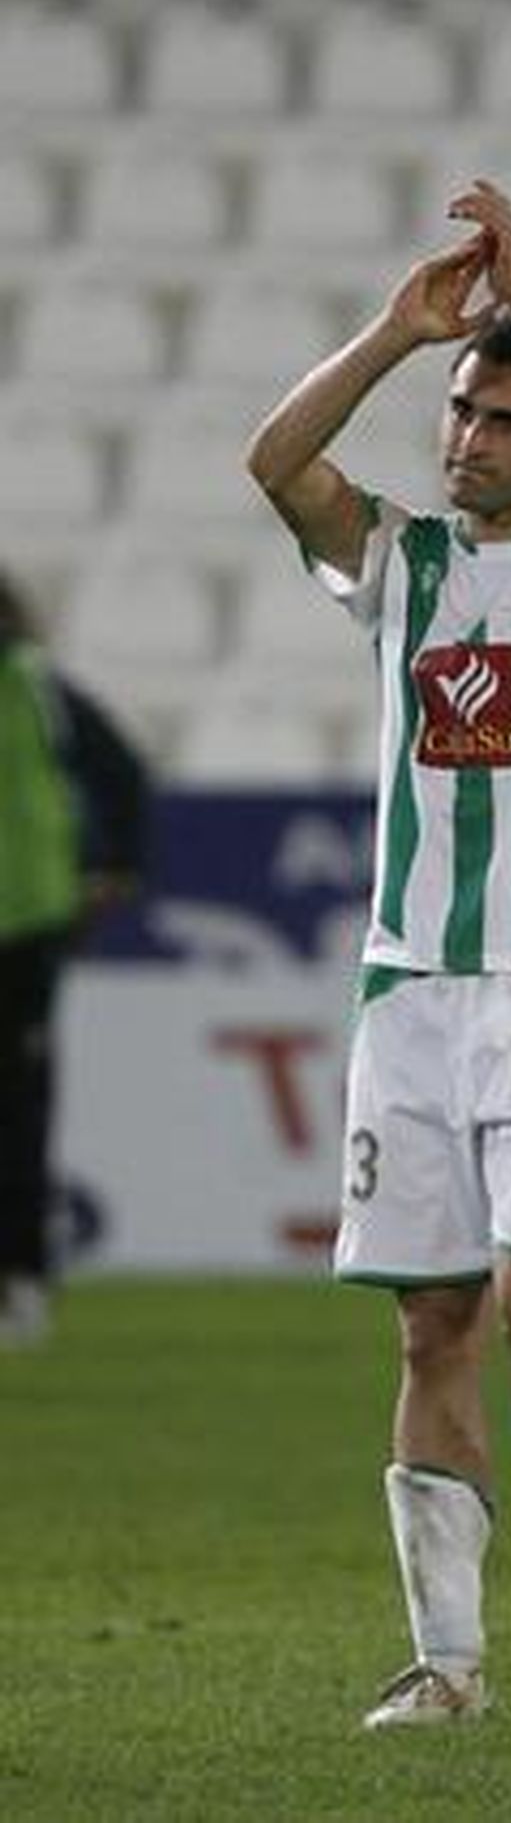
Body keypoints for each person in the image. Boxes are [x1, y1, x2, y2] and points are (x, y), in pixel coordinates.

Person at [245, 178, 511, 1727]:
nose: (467, 438)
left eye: (504, 418)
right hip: (412, 988)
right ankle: (448, 1660)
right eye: (461, 412)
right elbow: (275, 462)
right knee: (433, 1321)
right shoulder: (401, 568)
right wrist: (394, 329)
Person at [0, 571, 147, 1348]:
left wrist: (114, 863)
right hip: (33, 920)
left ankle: (20, 1278)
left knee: (19, 1111)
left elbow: (121, 772)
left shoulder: (36, 689)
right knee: (19, 1108)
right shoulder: (39, 684)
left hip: (24, 927)